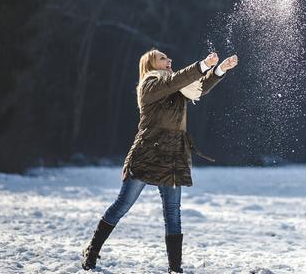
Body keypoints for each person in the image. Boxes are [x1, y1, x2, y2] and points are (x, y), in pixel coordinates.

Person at [81, 49, 238, 273]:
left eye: (168, 58)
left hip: (174, 155)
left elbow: (199, 88)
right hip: (148, 153)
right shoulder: (149, 86)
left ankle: (175, 268)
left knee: (173, 212)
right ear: (151, 66)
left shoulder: (178, 87)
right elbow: (176, 80)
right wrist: (202, 64)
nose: (169, 60)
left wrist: (220, 69)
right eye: (163, 58)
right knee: (121, 206)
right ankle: (92, 251)